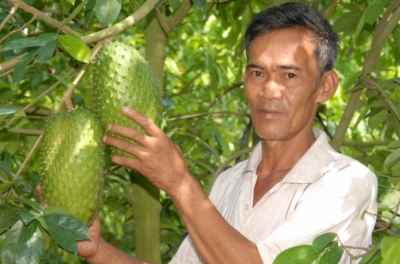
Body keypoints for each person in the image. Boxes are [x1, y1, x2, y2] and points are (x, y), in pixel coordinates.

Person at [69, 2, 378, 263]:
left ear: (325, 87)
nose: (269, 91)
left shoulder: (347, 182)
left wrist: (179, 183)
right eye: (257, 73)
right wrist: (98, 250)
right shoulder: (230, 181)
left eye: (289, 75)